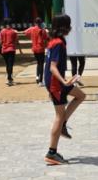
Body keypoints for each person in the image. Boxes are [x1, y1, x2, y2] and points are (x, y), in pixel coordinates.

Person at [44, 14, 86, 165]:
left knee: (81, 96)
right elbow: (52, 67)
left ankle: (63, 124)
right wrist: (64, 81)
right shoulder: (58, 44)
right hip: (57, 84)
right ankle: (51, 153)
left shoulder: (55, 42)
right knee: (58, 116)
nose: (71, 27)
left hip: (56, 83)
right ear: (64, 27)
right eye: (69, 24)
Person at [24, 17, 49, 86]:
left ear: (35, 22)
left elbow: (25, 32)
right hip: (41, 48)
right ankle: (40, 81)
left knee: (38, 63)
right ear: (41, 23)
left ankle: (37, 77)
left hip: (34, 48)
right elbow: (46, 38)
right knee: (41, 64)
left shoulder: (32, 29)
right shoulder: (42, 30)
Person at [0, 18, 22, 86]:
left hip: (4, 50)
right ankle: (9, 78)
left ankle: (9, 77)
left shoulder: (2, 31)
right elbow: (17, 41)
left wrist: (1, 45)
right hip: (11, 49)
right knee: (10, 64)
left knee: (7, 64)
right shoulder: (13, 31)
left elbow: (0, 41)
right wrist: (20, 50)